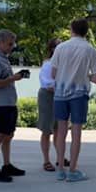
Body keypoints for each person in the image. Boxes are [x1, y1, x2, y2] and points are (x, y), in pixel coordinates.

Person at [51, 19, 96, 182]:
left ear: (71, 29)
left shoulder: (60, 47)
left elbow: (53, 73)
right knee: (76, 131)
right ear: (86, 31)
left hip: (60, 92)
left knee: (61, 130)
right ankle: (72, 169)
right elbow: (95, 78)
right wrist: (83, 75)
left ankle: (60, 169)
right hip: (79, 94)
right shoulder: (90, 50)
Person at [0, 30, 30, 182]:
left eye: (13, 43)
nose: (13, 46)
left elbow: (4, 79)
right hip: (0, 104)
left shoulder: (4, 59)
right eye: (10, 44)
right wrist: (14, 78)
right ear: (1, 43)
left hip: (8, 103)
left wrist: (13, 77)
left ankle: (6, 165)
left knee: (8, 135)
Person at [35, 39, 60, 172]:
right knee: (47, 129)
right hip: (47, 97)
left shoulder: (64, 64)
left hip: (60, 96)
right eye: (58, 46)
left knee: (59, 129)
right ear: (52, 49)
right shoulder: (47, 65)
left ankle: (59, 157)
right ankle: (46, 160)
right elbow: (48, 85)